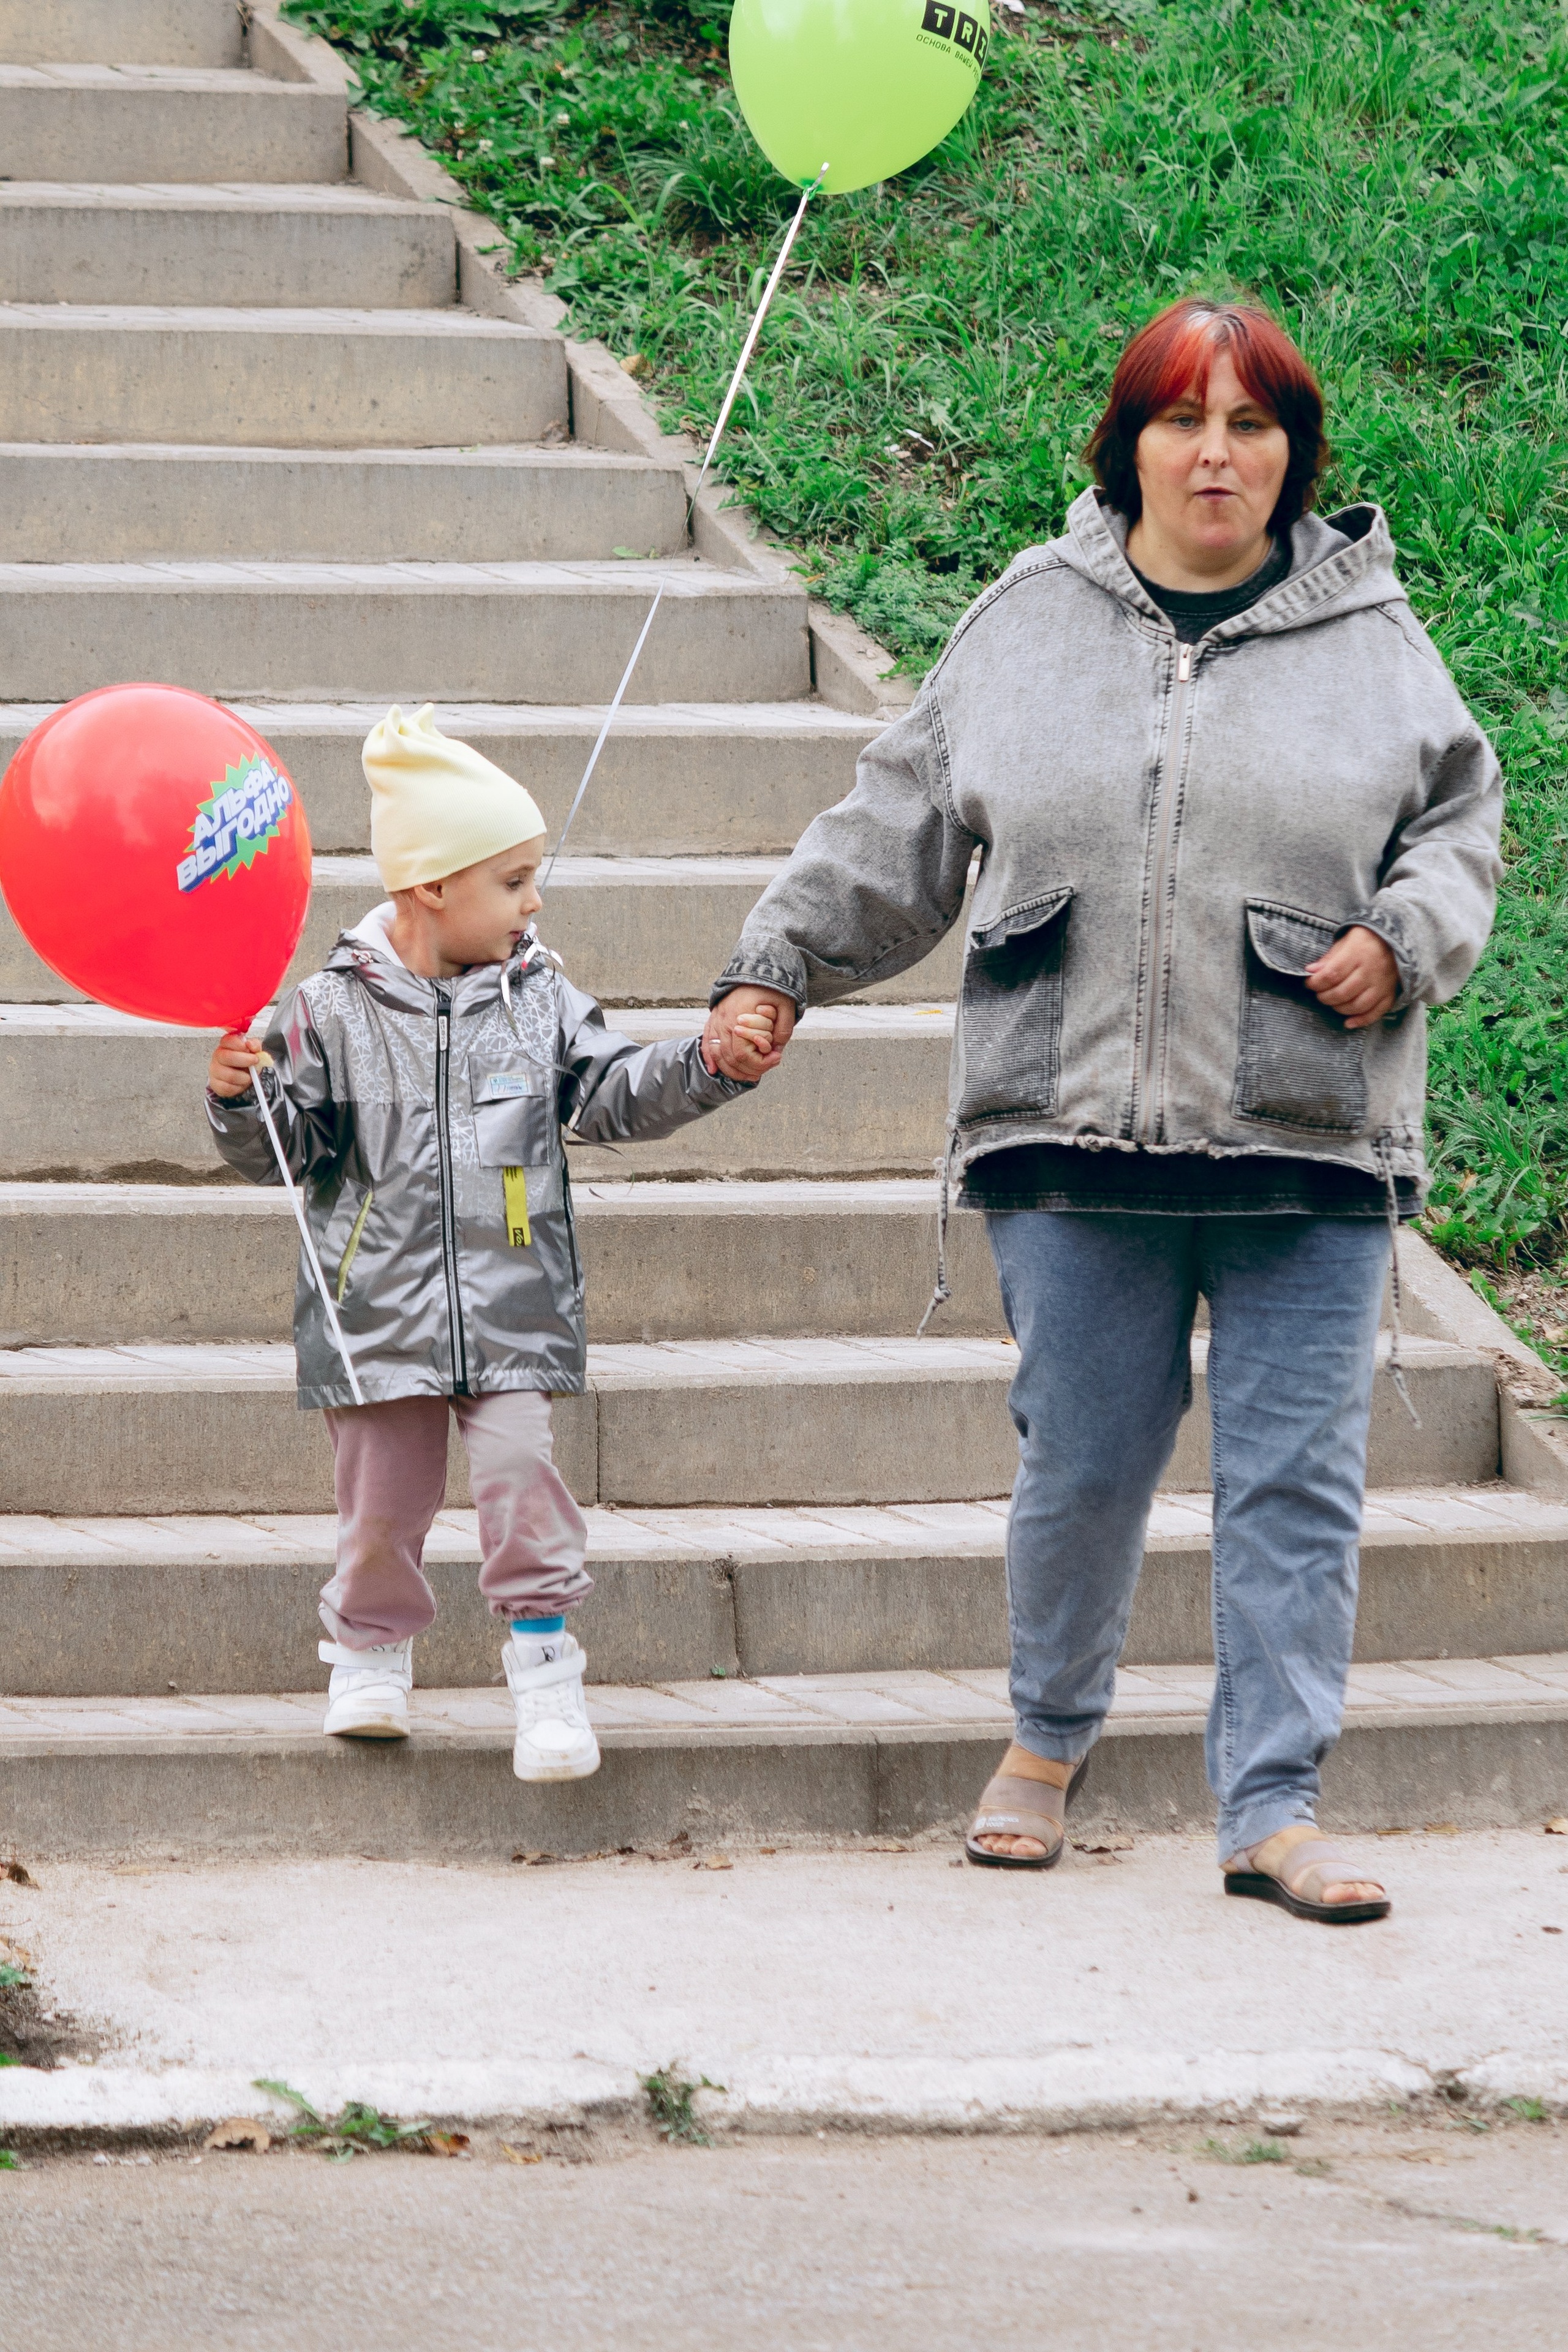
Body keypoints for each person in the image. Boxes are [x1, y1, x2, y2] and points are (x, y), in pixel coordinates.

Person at [702, 297, 1502, 1923]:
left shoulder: (1376, 638)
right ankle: (1046, 1746)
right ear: (1127, 443)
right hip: (1066, 1129)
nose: (1219, 453)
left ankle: (1273, 1810)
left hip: (1305, 1131)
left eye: (1254, 426)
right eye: (1184, 420)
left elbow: (1460, 829)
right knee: (1080, 1465)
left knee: (1298, 1488)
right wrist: (779, 963)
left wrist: (1405, 940)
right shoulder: (1029, 618)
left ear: (1294, 457)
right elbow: (903, 819)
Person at [207, 704, 774, 1780]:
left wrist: (709, 1061)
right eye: (512, 881)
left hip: (514, 1304)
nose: (534, 899)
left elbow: (610, 1092)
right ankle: (370, 1658)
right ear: (433, 886)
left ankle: (546, 1672)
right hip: (374, 1313)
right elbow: (290, 1147)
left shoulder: (541, 997)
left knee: (522, 1480)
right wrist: (241, 1099)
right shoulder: (326, 1009)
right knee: (381, 1503)